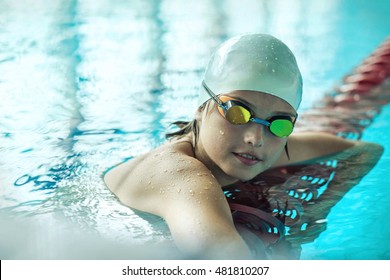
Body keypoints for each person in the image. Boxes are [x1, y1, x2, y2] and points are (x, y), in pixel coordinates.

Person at [104, 33, 383, 259]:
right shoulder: (179, 176)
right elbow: (223, 256)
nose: (256, 138)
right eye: (238, 113)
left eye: (279, 124)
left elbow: (364, 151)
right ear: (202, 107)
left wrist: (320, 208)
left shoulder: (265, 149)